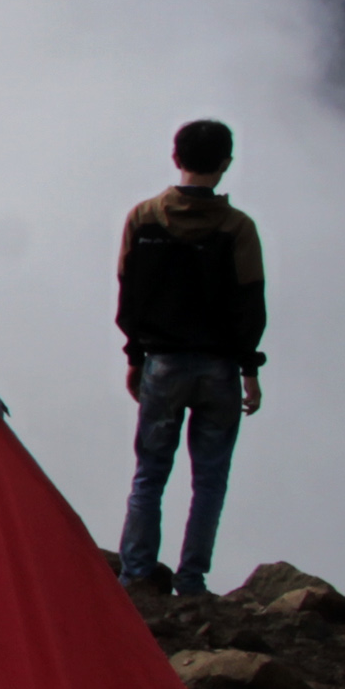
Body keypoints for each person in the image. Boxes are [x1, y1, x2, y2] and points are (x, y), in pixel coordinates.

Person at [114, 119, 266, 600]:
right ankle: (192, 580)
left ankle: (136, 575)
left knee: (150, 473)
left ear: (176, 157)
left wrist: (135, 355)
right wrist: (249, 370)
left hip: (162, 364)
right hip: (219, 369)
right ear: (226, 163)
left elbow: (130, 296)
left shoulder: (143, 218)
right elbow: (249, 304)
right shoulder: (238, 228)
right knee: (210, 479)